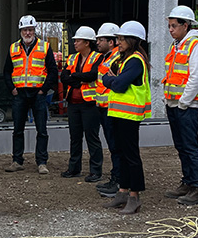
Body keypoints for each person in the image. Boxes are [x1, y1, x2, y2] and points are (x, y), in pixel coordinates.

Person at [100, 21, 151, 215]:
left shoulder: (135, 61)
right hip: (119, 113)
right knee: (121, 154)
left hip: (129, 116)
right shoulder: (124, 59)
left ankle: (134, 196)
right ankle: (122, 192)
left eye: (121, 39)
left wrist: (111, 80)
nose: (118, 42)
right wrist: (112, 79)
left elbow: (118, 84)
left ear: (132, 40)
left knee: (131, 156)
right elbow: (107, 76)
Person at [162, 5, 198, 206]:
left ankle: (197, 187)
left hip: (186, 105)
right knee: (182, 145)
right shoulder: (178, 44)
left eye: (174, 26)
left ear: (186, 25)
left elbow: (196, 77)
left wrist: (183, 102)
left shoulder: (194, 45)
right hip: (176, 103)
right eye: (169, 26)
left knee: (190, 146)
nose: (170, 29)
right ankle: (188, 182)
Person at [3, 15, 58, 174]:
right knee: (17, 129)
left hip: (38, 93)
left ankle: (42, 162)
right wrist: (11, 88)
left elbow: (53, 71)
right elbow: (7, 71)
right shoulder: (13, 48)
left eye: (30, 30)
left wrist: (44, 89)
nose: (28, 33)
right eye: (25, 30)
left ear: (35, 30)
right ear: (21, 31)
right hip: (19, 93)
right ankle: (17, 161)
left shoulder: (45, 47)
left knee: (42, 130)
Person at [60, 26, 102, 182]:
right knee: (75, 137)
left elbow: (93, 75)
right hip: (73, 103)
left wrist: (74, 76)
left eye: (78, 40)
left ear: (87, 42)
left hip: (89, 103)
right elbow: (64, 77)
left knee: (92, 137)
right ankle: (74, 168)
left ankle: (95, 171)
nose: (75, 43)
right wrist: (79, 79)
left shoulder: (97, 57)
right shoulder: (72, 58)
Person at [92, 23, 122, 198]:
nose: (97, 42)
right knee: (113, 147)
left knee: (116, 147)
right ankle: (116, 179)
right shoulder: (107, 57)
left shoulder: (117, 58)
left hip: (113, 109)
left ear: (111, 42)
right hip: (105, 108)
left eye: (101, 39)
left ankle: (118, 181)